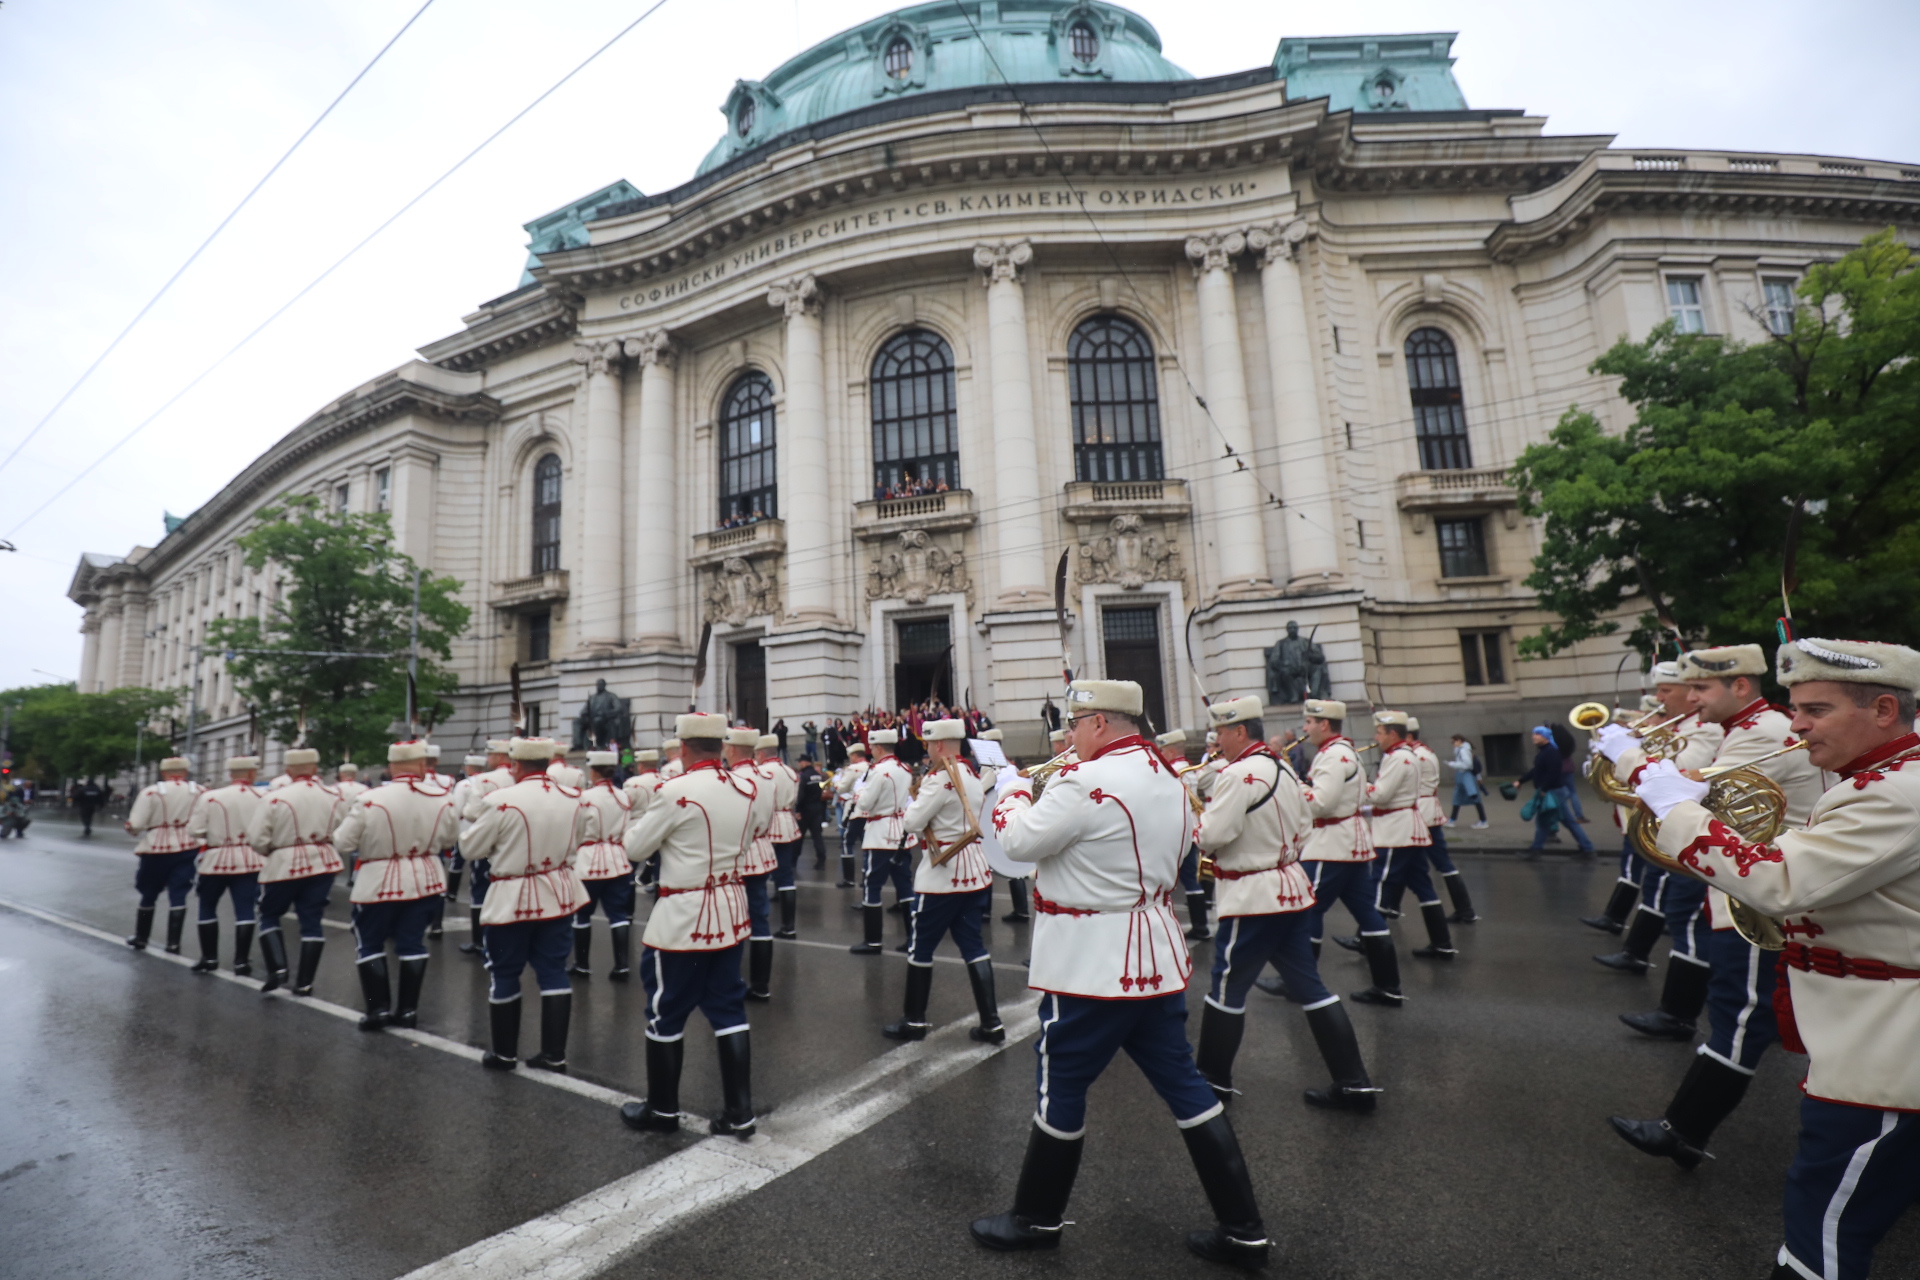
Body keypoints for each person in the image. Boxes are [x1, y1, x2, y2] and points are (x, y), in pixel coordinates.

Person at [1628, 637, 1920, 1280]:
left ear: (1881, 711)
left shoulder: (1896, 792)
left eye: (1816, 708)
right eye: (1796, 707)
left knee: (1822, 1245)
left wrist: (1676, 807)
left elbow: (1777, 882)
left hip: (1888, 1059)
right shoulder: (1881, 782)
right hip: (1874, 1042)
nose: (1797, 723)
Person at [971, 680, 1268, 1269]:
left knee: (1062, 1083)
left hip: (1093, 963)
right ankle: (1244, 1227)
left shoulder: (1084, 783)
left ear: (1100, 724)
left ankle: (1036, 1217)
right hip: (1154, 957)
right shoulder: (1170, 778)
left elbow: (1016, 840)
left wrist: (1008, 790)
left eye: (1075, 725)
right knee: (1185, 1086)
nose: (1068, 736)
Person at [1601, 642, 1825, 1161]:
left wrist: (1627, 753)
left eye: (1701, 687)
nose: (1690, 697)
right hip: (1743, 883)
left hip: (1759, 892)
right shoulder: (1743, 731)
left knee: (1741, 1014)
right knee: (1749, 1012)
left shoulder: (1760, 733)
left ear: (1740, 686)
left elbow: (1680, 796)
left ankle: (1683, 1130)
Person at [1193, 696, 1378, 1113]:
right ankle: (1354, 1082)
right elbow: (1304, 823)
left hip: (1253, 896)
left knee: (1226, 987)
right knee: (1311, 987)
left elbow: (1211, 835)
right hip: (1291, 888)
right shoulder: (1283, 768)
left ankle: (1211, 1082)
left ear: (1240, 731)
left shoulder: (1238, 774)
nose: (1217, 741)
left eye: (1221, 733)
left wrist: (1193, 821)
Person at [620, 713, 759, 1138]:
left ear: (682, 748)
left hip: (683, 919)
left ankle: (662, 1111)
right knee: (729, 1009)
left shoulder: (673, 791)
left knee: (666, 1011)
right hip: (729, 912)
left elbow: (634, 848)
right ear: (721, 745)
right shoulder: (746, 787)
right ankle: (740, 1113)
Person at [458, 737, 591, 1073]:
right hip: (558, 894)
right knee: (554, 972)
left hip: (511, 897)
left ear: (515, 765)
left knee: (504, 973)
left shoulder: (499, 800)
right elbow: (579, 840)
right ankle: (554, 1055)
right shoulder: (574, 796)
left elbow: (470, 849)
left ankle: (504, 1054)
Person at [1582, 663, 1722, 942]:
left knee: (1678, 910)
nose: (1659, 698)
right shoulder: (1683, 727)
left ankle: (1635, 949)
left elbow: (1676, 776)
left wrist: (1631, 752)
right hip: (1666, 822)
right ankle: (1632, 945)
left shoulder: (1703, 729)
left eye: (1666, 690)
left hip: (1689, 828)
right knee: (1658, 892)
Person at [885, 719, 999, 1042]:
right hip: (974, 872)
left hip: (942, 875)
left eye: (929, 746)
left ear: (938, 745)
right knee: (973, 945)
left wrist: (917, 800)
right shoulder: (973, 776)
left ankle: (915, 1020)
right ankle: (992, 1022)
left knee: (920, 946)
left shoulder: (940, 779)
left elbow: (911, 820)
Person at [332, 741, 458, 1030]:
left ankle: (378, 1010)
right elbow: (451, 841)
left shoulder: (371, 799)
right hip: (426, 879)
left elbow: (344, 842)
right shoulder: (444, 797)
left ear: (391, 766)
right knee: (413, 942)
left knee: (371, 942)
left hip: (379, 880)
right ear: (423, 765)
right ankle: (408, 1011)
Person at [1290, 700, 1400, 1006]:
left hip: (1331, 845)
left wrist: (1294, 786)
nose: (1304, 727)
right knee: (1368, 914)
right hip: (1347, 843)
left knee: (1308, 909)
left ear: (1324, 725)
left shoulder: (1333, 756)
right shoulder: (1342, 751)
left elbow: (1320, 803)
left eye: (1309, 721)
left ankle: (1300, 985)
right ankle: (1388, 986)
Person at [1347, 711, 1454, 960]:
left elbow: (1381, 795)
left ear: (1392, 734)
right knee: (1424, 888)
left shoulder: (1398, 757)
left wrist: (1356, 780)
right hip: (1408, 828)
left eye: (1379, 733)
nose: (1376, 737)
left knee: (1380, 884)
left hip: (1397, 832)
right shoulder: (1406, 755)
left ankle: (1365, 940)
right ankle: (1442, 942)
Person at [247, 748, 346, 995]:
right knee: (312, 919)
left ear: (288, 771)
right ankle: (305, 982)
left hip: (284, 862)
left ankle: (278, 969)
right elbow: (343, 831)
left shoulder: (274, 797)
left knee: (269, 914)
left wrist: (274, 849)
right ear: (315, 769)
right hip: (323, 861)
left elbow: (257, 838)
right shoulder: (334, 795)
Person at [185, 755, 265, 975]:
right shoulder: (264, 796)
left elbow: (194, 830)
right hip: (250, 859)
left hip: (216, 860)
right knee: (246, 909)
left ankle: (209, 958)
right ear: (252, 773)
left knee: (207, 906)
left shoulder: (211, 797)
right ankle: (241, 961)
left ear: (230, 774)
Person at [124, 756, 204, 954]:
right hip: (188, 846)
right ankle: (173, 943)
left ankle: (141, 938)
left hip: (156, 849)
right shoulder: (201, 792)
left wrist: (131, 828)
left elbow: (136, 824)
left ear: (163, 773)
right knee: (179, 893)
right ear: (185, 772)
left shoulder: (151, 792)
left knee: (148, 892)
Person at [570, 750, 636, 982]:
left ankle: (582, 965)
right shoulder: (623, 796)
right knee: (618, 914)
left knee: (582, 914)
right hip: (618, 859)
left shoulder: (584, 797)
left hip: (588, 860)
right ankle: (621, 965)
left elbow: (576, 832)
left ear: (594, 770)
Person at [723, 730, 777, 997]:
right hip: (762, 849)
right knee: (759, 917)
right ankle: (761, 985)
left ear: (732, 750)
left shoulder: (730, 779)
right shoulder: (767, 777)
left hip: (737, 852)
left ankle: (732, 982)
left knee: (731, 917)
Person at [850, 730, 914, 954]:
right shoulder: (905, 769)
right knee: (905, 887)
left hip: (880, 834)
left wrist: (858, 791)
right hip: (900, 832)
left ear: (878, 748)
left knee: (872, 886)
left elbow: (866, 803)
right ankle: (912, 939)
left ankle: (873, 940)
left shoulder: (878, 771)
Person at [1407, 717, 1476, 924]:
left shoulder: (1412, 756)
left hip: (1419, 813)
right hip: (1429, 811)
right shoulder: (1425, 751)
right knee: (1439, 864)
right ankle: (1465, 909)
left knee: (1394, 867)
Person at [456, 740, 515, 958]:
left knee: (480, 891)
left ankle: (480, 941)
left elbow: (471, 812)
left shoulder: (482, 780)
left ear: (499, 757)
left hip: (490, 843)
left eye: (490, 756)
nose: (487, 760)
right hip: (515, 842)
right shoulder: (520, 777)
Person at [1161, 729, 1212, 940]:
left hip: (1179, 830)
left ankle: (1199, 927)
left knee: (1183, 879)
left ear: (1171, 751)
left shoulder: (1174, 771)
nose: (1161, 754)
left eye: (1163, 750)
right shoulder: (1188, 768)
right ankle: (1200, 925)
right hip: (1191, 828)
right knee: (1190, 878)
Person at [755, 736, 803, 943]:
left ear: (761, 753)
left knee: (761, 871)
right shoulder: (790, 771)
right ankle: (788, 926)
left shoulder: (762, 772)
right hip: (787, 821)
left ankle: (758, 921)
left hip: (769, 821)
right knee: (785, 876)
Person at [1519, 727, 1593, 858]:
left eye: (1537, 734)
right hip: (1552, 791)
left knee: (1561, 821)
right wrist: (1520, 781)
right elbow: (1536, 770)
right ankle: (1536, 850)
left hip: (1554, 792)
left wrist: (1545, 789)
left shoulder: (1551, 752)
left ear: (1545, 737)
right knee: (1545, 822)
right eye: (1533, 734)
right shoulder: (1545, 752)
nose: (1534, 737)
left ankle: (1587, 849)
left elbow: (1553, 773)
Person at [833, 743, 870, 887]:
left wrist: (837, 780)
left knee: (847, 843)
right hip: (869, 811)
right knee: (867, 845)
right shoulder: (872, 767)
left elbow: (842, 789)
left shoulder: (852, 769)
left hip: (854, 812)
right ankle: (865, 878)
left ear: (854, 756)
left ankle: (849, 879)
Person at [794, 756, 829, 870]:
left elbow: (801, 795)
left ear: (804, 762)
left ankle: (793, 861)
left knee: (799, 838)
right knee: (817, 836)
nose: (799, 764)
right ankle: (821, 860)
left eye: (799, 762)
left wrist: (798, 810)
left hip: (805, 809)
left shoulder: (803, 776)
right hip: (817, 808)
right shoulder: (817, 775)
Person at [1447, 734, 1487, 826]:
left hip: (1465, 775)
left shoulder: (1463, 750)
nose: (1453, 744)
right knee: (1458, 797)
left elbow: (1468, 764)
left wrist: (1453, 764)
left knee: (1474, 797)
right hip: (1462, 775)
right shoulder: (1461, 749)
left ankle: (1483, 820)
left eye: (1454, 742)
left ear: (1459, 741)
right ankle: (1452, 819)